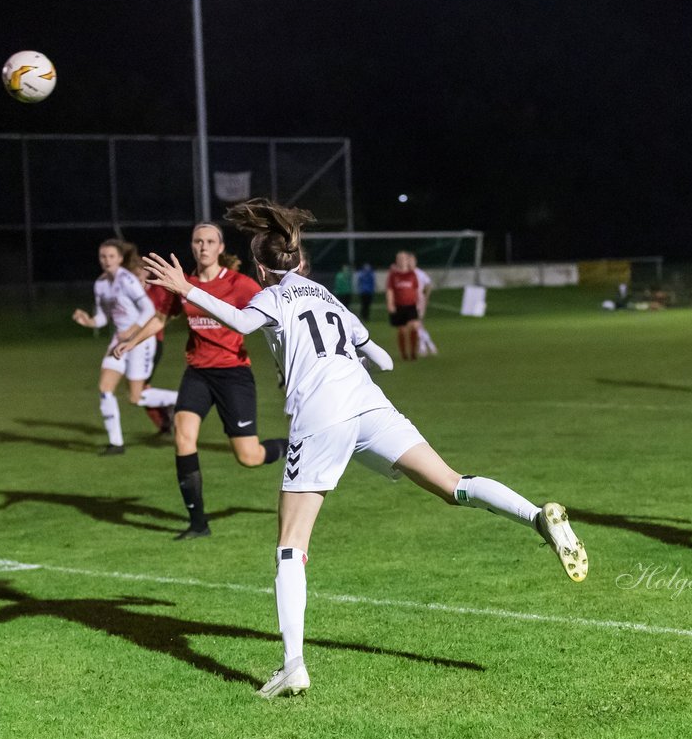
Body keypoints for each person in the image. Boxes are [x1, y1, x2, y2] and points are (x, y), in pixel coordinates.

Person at [141, 198, 588, 699]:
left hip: (322, 417)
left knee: (291, 545)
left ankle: (293, 664)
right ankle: (536, 517)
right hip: (370, 407)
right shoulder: (330, 298)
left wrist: (186, 290)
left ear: (263, 269)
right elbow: (383, 359)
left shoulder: (273, 297)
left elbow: (242, 324)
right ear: (302, 262)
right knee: (453, 485)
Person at [115, 222, 289, 540]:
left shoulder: (240, 284)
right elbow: (161, 319)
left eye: (210, 241)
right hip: (197, 373)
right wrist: (132, 341)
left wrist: (287, 362)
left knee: (249, 457)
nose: (203, 246)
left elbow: (275, 317)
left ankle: (292, 446)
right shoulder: (185, 283)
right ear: (192, 246)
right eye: (198, 241)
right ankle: (198, 524)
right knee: (183, 438)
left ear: (220, 248)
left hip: (233, 374)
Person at [72, 240, 157, 457]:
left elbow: (149, 308)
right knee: (105, 388)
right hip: (118, 341)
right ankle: (116, 443)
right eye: (103, 256)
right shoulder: (100, 284)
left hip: (140, 340)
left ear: (120, 259)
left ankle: (177, 401)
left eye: (111, 256)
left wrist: (132, 330)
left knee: (135, 398)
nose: (107, 260)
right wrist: (87, 321)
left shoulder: (127, 280)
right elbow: (102, 319)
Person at [133, 263, 180, 436]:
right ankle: (165, 421)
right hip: (133, 345)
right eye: (134, 272)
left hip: (151, 344)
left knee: (138, 391)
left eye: (140, 271)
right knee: (140, 389)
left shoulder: (157, 290)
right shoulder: (132, 292)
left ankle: (177, 401)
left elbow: (174, 310)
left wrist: (160, 324)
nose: (137, 275)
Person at [386, 251, 422, 361]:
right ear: (397, 261)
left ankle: (413, 352)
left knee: (414, 327)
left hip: (411, 305)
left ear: (407, 260)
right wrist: (390, 304)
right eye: (399, 258)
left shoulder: (412, 274)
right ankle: (404, 354)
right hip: (399, 306)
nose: (401, 260)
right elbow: (390, 290)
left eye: (403, 258)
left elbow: (416, 289)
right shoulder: (393, 275)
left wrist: (419, 303)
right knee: (402, 330)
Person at [410, 252, 438, 357]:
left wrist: (425, 297)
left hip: (418, 301)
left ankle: (426, 346)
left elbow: (428, 285)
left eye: (412, 261)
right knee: (416, 325)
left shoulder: (419, 273)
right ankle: (427, 345)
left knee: (417, 324)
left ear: (415, 261)